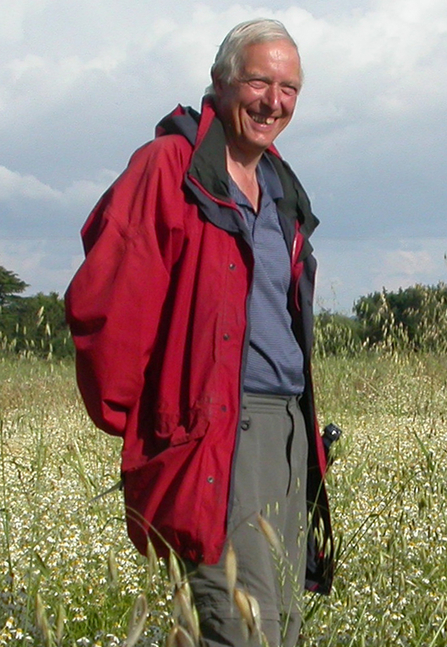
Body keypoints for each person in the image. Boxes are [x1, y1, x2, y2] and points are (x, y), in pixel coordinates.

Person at [65, 18, 333, 647]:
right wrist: (159, 424)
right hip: (216, 431)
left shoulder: (278, 184)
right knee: (241, 627)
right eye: (260, 81)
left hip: (288, 428)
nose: (274, 101)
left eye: (289, 88)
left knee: (283, 621)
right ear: (220, 82)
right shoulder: (170, 166)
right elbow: (107, 298)